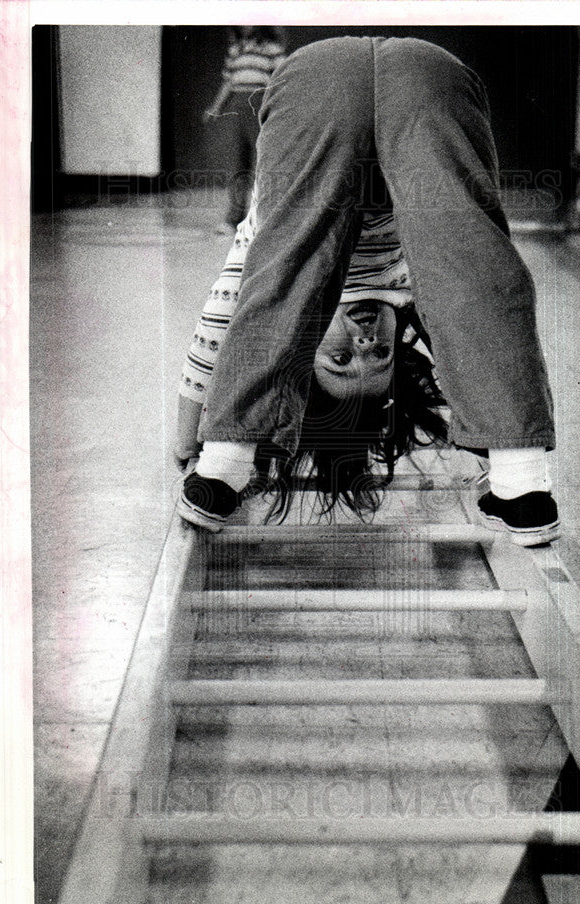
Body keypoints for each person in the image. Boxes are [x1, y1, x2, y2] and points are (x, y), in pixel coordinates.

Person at [177, 36, 560, 546]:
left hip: (317, 82)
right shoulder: (418, 295)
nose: (362, 342)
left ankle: (225, 462)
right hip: (429, 77)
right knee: (473, 272)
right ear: (400, 347)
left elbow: (213, 342)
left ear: (304, 351)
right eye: (379, 354)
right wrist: (493, 445)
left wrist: (189, 444)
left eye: (338, 358)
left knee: (280, 278)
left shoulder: (288, 296)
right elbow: (483, 333)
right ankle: (524, 483)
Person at [203, 27, 287, 232]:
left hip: (260, 103)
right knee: (237, 163)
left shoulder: (271, 49)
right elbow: (228, 82)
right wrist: (216, 107)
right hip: (237, 107)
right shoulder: (236, 50)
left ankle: (266, 219)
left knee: (264, 162)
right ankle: (234, 219)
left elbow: (282, 79)